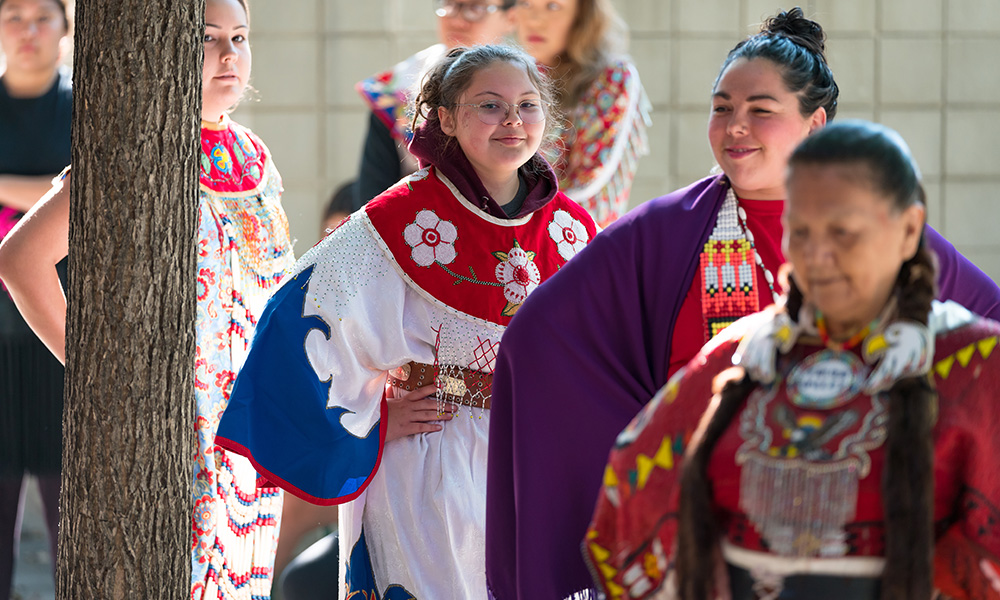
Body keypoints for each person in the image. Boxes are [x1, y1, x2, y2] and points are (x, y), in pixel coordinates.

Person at [484, 8, 1000, 599]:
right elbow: (540, 340)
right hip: (719, 552)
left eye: (761, 110)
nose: (735, 125)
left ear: (815, 124)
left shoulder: (891, 235)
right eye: (722, 106)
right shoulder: (663, 236)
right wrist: (639, 440)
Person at [214, 44, 598, 599]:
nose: (513, 120)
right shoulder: (397, 219)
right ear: (446, 117)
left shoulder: (571, 224)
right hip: (431, 459)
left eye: (527, 105)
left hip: (539, 460)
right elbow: (298, 316)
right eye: (490, 105)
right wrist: (371, 414)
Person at [585, 120, 1000, 600]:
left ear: (909, 230)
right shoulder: (738, 358)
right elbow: (627, 502)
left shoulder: (975, 364)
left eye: (843, 231)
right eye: (799, 231)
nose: (817, 254)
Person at [0, 0, 295, 598]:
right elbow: (20, 258)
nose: (229, 54)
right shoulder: (140, 148)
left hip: (250, 433)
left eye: (239, 38)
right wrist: (101, 379)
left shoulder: (255, 154)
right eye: (209, 39)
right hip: (174, 434)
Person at [0, 0, 70, 597]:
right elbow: (59, 198)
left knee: (68, 512)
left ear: (64, 28)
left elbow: (86, 192)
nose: (27, 31)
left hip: (62, 326)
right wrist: (42, 194)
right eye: (12, 16)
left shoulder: (84, 108)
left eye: (42, 17)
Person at [356, 0, 516, 203]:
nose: (457, 20)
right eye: (450, 5)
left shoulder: (533, 88)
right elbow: (372, 194)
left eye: (475, 8)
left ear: (511, 17)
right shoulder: (398, 89)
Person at [511, 0, 651, 226]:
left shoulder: (612, 77)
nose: (534, 19)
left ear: (582, 14)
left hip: (578, 239)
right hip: (517, 234)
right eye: (526, 4)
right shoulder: (518, 72)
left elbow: (588, 182)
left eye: (553, 6)